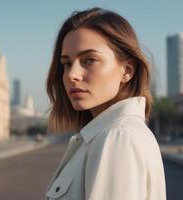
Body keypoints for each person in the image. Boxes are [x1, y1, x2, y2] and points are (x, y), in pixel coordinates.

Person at [44, 7, 166, 200]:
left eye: (89, 60)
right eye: (67, 63)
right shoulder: (107, 135)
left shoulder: (118, 137)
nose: (72, 75)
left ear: (127, 70)